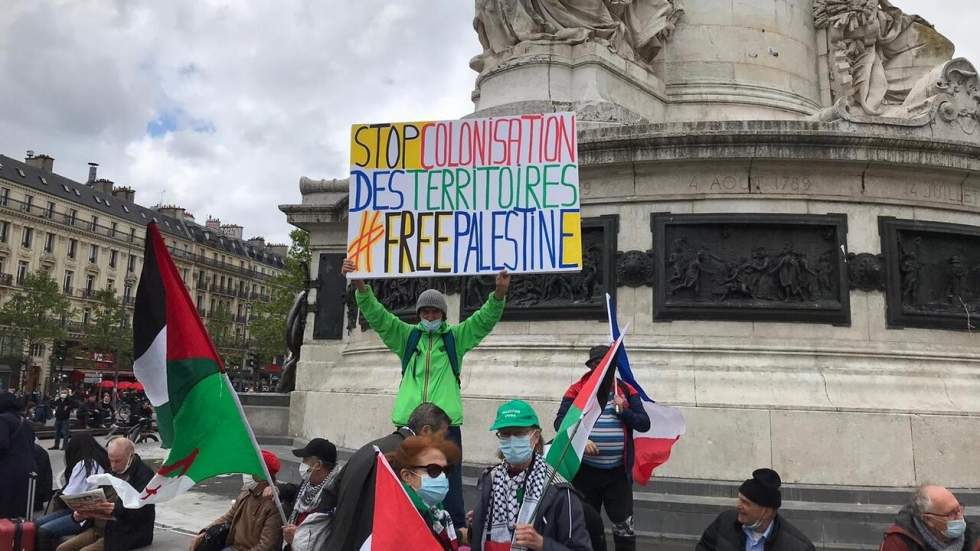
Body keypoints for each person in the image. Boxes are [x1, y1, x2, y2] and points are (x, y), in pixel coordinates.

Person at [342, 258, 511, 528]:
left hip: (445, 427)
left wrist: (499, 293)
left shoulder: (455, 339)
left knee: (450, 490)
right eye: (425, 312)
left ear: (443, 315)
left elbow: (482, 321)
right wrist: (360, 283)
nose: (430, 317)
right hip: (409, 427)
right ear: (419, 315)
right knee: (405, 484)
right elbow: (378, 316)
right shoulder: (405, 337)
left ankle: (454, 536)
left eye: (435, 312)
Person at [554, 345, 651, 551]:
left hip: (617, 475)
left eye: (607, 364)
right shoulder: (577, 390)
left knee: (624, 527)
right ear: (591, 367)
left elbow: (644, 423)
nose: (602, 368)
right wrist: (580, 439)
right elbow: (560, 424)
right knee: (588, 524)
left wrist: (624, 410)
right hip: (585, 473)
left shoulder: (625, 390)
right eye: (598, 365)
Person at [325, 402, 452, 551]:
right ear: (426, 430)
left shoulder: (368, 448)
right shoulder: (407, 458)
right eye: (442, 437)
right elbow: (410, 515)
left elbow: (330, 493)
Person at [470, 400, 592, 551]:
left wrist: (542, 544)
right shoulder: (490, 479)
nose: (512, 440)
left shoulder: (558, 490)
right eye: (505, 434)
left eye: (519, 433)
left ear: (535, 437)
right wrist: (474, 526)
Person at [57, 437, 156, 551]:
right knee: (62, 548)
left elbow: (142, 511)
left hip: (124, 532)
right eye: (111, 460)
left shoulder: (144, 474)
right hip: (100, 528)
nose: (113, 465)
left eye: (117, 461)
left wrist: (115, 509)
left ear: (130, 456)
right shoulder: (112, 470)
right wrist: (82, 514)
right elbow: (100, 497)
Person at [696, 469, 815, 551]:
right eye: (739, 499)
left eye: (745, 503)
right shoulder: (724, 522)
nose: (738, 506)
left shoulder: (799, 547)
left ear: (766, 512)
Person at [192, 450, 283, 551]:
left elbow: (266, 546)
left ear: (263, 475)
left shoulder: (274, 504)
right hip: (233, 547)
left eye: (250, 470)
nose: (246, 474)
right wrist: (204, 532)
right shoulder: (247, 493)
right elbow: (228, 517)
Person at [387, 434, 461, 550]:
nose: (442, 476)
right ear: (407, 476)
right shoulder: (402, 517)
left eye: (446, 470)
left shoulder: (434, 509)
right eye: (433, 470)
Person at [37, 434, 111, 547]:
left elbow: (69, 494)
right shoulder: (99, 460)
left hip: (84, 515)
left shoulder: (85, 465)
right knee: (38, 525)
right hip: (86, 511)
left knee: (43, 530)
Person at [277, 438, 338, 550]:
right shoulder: (307, 483)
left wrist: (298, 536)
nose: (302, 464)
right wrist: (278, 489)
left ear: (318, 465)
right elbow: (295, 490)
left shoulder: (333, 496)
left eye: (305, 460)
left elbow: (322, 539)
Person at [880, 485, 979, 551]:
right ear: (928, 519)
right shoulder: (899, 542)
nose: (959, 518)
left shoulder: (974, 535)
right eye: (950, 514)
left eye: (959, 509)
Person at [0, 393, 37, 518]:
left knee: (4, 508)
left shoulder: (3, 419)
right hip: (27, 471)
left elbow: (2, 444)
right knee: (17, 510)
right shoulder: (24, 422)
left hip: (7, 472)